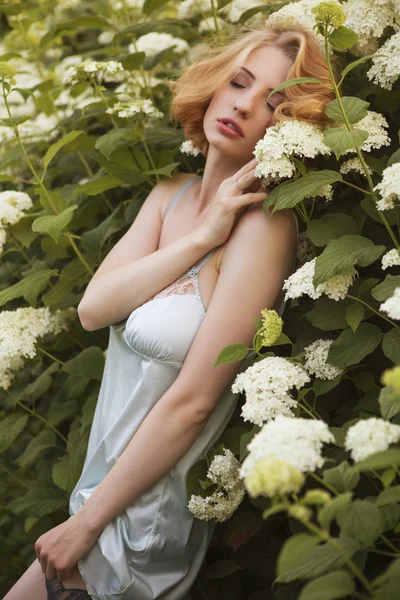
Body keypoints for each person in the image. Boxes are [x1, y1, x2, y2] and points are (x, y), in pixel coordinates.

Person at [4, 23, 337, 600]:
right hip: (94, 504)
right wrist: (200, 237)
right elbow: (92, 309)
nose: (243, 103)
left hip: (138, 526)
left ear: (288, 127)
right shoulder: (170, 197)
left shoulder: (265, 230)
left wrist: (86, 526)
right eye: (238, 81)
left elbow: (193, 402)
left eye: (272, 102)